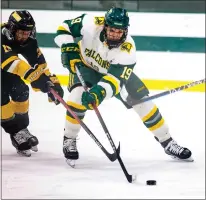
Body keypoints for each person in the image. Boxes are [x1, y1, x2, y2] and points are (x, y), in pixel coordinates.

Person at [54, 7, 193, 166]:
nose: (114, 34)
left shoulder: (128, 51)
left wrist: (98, 94)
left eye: (119, 31)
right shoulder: (90, 23)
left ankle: (168, 142)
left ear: (126, 30)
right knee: (77, 97)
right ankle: (69, 139)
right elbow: (64, 27)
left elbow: (114, 81)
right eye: (112, 29)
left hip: (113, 75)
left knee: (143, 102)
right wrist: (67, 46)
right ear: (105, 26)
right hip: (86, 67)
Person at [1, 10, 64, 157]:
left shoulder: (28, 40)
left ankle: (21, 128)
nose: (25, 36)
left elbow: (40, 65)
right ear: (12, 29)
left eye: (28, 32)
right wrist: (36, 78)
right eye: (21, 32)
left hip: (5, 70)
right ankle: (14, 131)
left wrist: (52, 82)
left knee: (21, 90)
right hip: (6, 65)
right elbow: (15, 64)